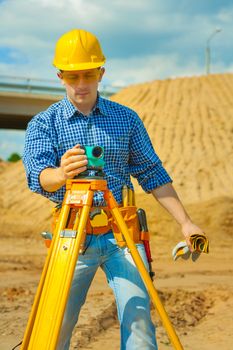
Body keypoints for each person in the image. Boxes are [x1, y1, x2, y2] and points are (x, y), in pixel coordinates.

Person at [23, 29, 204, 350]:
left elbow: (152, 174)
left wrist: (186, 222)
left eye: (89, 74)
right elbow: (38, 177)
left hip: (121, 235)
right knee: (54, 326)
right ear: (60, 75)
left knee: (139, 321)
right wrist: (62, 173)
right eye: (73, 75)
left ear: (101, 73)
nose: (81, 83)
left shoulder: (127, 119)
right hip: (70, 237)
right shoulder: (44, 123)